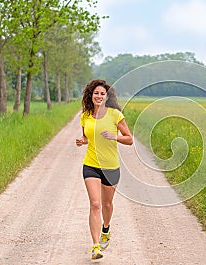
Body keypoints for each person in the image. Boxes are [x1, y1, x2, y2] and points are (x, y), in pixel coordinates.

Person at [75, 79, 133, 260]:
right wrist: (81, 141)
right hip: (91, 164)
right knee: (95, 204)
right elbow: (87, 137)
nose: (99, 96)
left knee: (107, 205)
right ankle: (95, 246)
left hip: (110, 167)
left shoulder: (115, 115)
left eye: (102, 94)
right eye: (96, 93)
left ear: (106, 97)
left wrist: (114, 136)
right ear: (90, 96)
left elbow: (129, 139)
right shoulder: (85, 116)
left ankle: (105, 230)